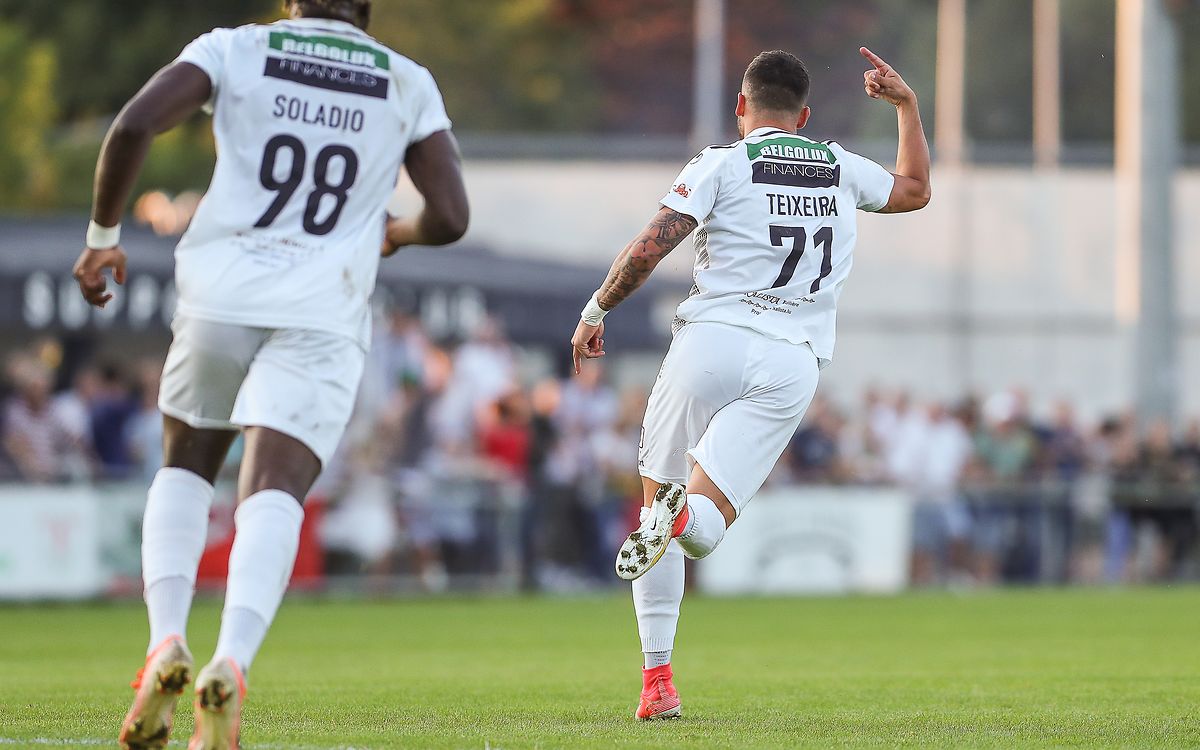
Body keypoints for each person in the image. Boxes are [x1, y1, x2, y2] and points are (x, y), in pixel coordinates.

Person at [70, 1, 468, 747]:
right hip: (322, 308)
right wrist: (396, 232)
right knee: (274, 490)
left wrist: (102, 236)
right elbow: (450, 215)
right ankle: (231, 661)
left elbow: (133, 124)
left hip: (221, 294)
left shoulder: (237, 48)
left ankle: (165, 642)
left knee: (185, 469)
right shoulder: (405, 81)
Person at [570, 48, 930, 720]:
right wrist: (906, 107)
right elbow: (914, 190)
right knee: (702, 530)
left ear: (741, 107)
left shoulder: (722, 163)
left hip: (710, 344)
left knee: (654, 509)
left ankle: (657, 680)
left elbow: (652, 245)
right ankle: (680, 515)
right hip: (792, 360)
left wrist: (597, 310)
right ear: (805, 116)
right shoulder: (840, 165)